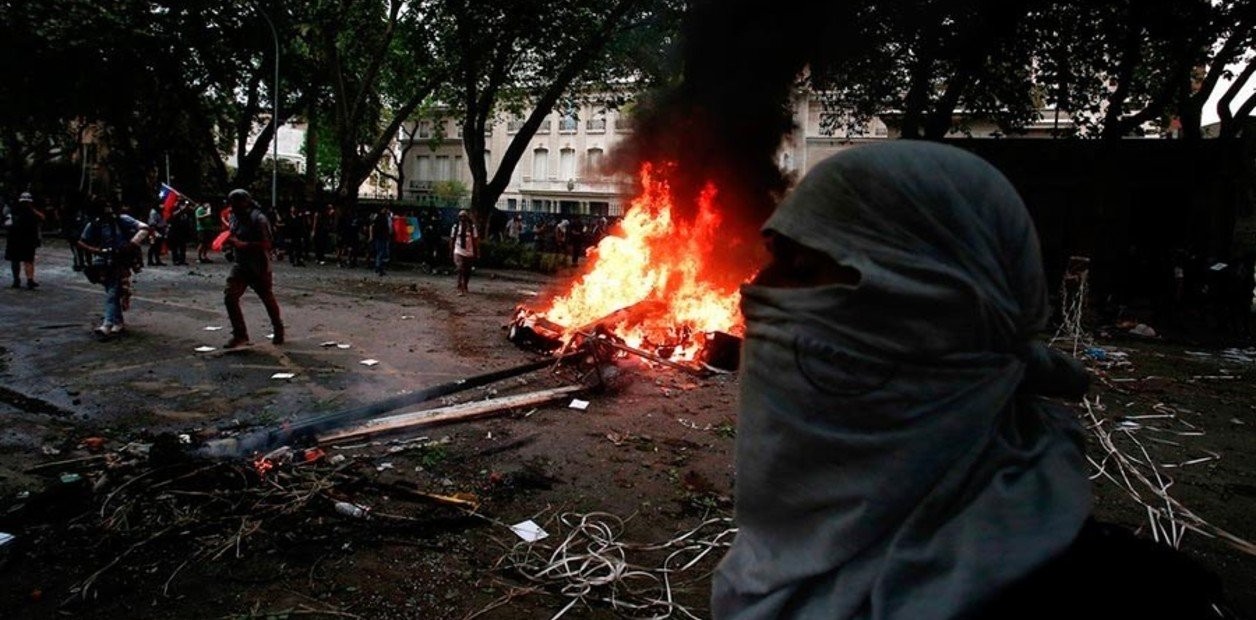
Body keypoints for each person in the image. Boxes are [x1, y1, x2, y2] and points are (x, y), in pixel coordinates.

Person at [712, 142, 1227, 619]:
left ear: (947, 314)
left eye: (800, 271)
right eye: (771, 263)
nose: (755, 298)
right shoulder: (765, 567)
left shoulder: (1118, 600)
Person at [222, 189, 284, 349]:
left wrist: (244, 245)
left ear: (246, 202)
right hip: (240, 264)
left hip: (259, 265)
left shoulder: (259, 219)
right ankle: (240, 334)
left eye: (237, 204)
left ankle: (278, 328)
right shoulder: (234, 216)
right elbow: (233, 233)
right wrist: (229, 244)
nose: (234, 207)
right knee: (230, 297)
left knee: (267, 298)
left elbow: (267, 244)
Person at [78, 198, 149, 335]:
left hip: (120, 261)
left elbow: (144, 228)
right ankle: (118, 322)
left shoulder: (122, 219)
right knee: (112, 293)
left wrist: (131, 244)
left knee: (112, 293)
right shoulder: (95, 224)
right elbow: (81, 242)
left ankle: (107, 324)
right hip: (102, 262)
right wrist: (96, 250)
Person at [4, 192, 45, 289]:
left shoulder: (13, 210)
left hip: (16, 239)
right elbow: (42, 218)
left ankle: (18, 280)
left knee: (17, 260)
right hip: (26, 239)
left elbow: (6, 223)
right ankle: (28, 280)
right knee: (27, 260)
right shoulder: (30, 212)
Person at [451, 209, 479, 294]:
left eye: (464, 217)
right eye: (461, 217)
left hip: (469, 251)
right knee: (460, 267)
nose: (463, 218)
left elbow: (475, 239)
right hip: (458, 250)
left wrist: (477, 251)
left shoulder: (471, 227)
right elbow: (452, 239)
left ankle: (465, 285)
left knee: (467, 270)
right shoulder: (455, 227)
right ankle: (459, 285)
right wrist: (451, 250)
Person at [166, 200, 194, 266]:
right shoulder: (175, 210)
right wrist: (180, 210)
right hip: (175, 232)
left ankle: (182, 260)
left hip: (183, 232)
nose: (184, 206)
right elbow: (172, 217)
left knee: (183, 247)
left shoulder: (186, 212)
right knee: (175, 247)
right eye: (182, 205)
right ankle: (175, 260)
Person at [368, 205, 392, 276]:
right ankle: (379, 267)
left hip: (381, 236)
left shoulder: (380, 217)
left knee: (381, 252)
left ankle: (378, 267)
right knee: (381, 252)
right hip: (381, 237)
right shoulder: (381, 217)